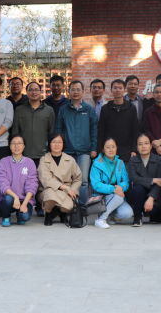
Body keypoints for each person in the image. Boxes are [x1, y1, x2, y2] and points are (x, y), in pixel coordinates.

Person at [55, 80, 98, 213]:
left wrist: (94, 148)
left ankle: (82, 207)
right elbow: (58, 130)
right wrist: (59, 148)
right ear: (69, 92)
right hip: (67, 151)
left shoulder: (89, 109)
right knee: (66, 180)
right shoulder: (63, 110)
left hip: (84, 152)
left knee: (83, 181)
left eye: (78, 89)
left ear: (83, 92)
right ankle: (68, 206)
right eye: (73, 89)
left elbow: (94, 130)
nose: (75, 92)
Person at [38, 132, 83, 226]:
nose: (57, 144)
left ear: (63, 144)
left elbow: (77, 179)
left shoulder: (70, 160)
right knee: (50, 194)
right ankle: (49, 213)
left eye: (59, 142)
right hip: (50, 190)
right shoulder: (43, 160)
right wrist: (66, 188)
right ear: (49, 144)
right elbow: (46, 180)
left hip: (66, 193)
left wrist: (72, 191)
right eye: (54, 142)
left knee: (69, 206)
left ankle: (61, 212)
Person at [0, 135, 39, 227]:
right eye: (13, 143)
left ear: (24, 146)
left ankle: (20, 215)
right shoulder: (3, 162)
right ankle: (6, 216)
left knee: (25, 217)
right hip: (9, 198)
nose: (16, 146)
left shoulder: (30, 162)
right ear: (10, 146)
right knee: (8, 199)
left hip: (24, 200)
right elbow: (1, 183)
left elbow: (32, 185)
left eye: (19, 143)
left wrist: (24, 204)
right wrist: (15, 197)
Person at [90, 137, 134, 229]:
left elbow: (126, 181)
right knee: (119, 196)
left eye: (113, 146)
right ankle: (100, 219)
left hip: (116, 195)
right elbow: (96, 185)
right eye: (108, 147)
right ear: (103, 149)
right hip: (102, 196)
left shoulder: (120, 163)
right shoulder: (96, 164)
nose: (111, 149)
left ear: (116, 148)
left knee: (128, 213)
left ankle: (109, 215)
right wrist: (114, 189)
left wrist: (121, 187)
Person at [11, 81, 55, 166]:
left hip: (43, 154)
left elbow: (52, 132)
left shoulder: (49, 110)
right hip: (23, 154)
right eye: (31, 90)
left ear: (40, 92)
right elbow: (15, 132)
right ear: (26, 92)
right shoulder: (19, 110)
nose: (34, 92)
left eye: (36, 90)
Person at [97, 79, 139, 164]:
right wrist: (100, 149)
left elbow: (135, 130)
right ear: (111, 90)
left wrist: (134, 149)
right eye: (115, 88)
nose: (118, 90)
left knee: (125, 173)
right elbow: (101, 130)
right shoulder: (105, 108)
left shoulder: (131, 108)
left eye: (120, 88)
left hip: (127, 151)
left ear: (124, 90)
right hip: (109, 151)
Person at [128, 134, 161, 227]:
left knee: (153, 211)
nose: (143, 146)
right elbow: (135, 179)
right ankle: (137, 217)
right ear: (137, 147)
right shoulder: (132, 160)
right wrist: (153, 180)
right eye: (140, 144)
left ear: (150, 146)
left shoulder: (159, 160)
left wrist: (151, 198)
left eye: (146, 143)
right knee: (137, 188)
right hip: (140, 194)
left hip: (155, 194)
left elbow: (160, 183)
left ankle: (152, 214)